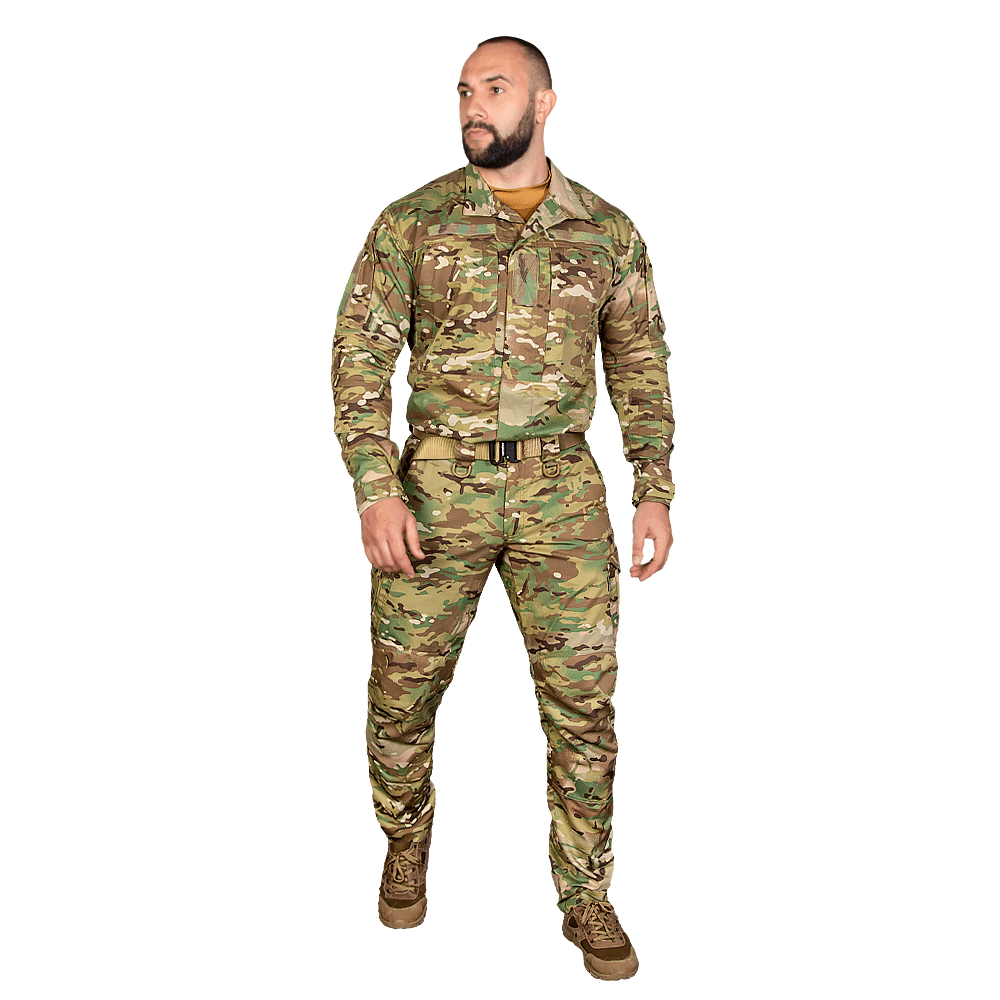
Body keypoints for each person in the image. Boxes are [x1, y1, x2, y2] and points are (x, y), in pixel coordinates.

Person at [330, 34, 675, 983]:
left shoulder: (607, 231)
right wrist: (374, 489)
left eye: (494, 88)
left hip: (564, 494)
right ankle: (404, 841)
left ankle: (586, 891)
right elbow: (359, 359)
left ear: (544, 102)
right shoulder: (413, 221)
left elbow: (640, 362)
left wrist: (654, 487)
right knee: (401, 691)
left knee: (584, 707)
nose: (472, 106)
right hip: (435, 491)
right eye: (462, 91)